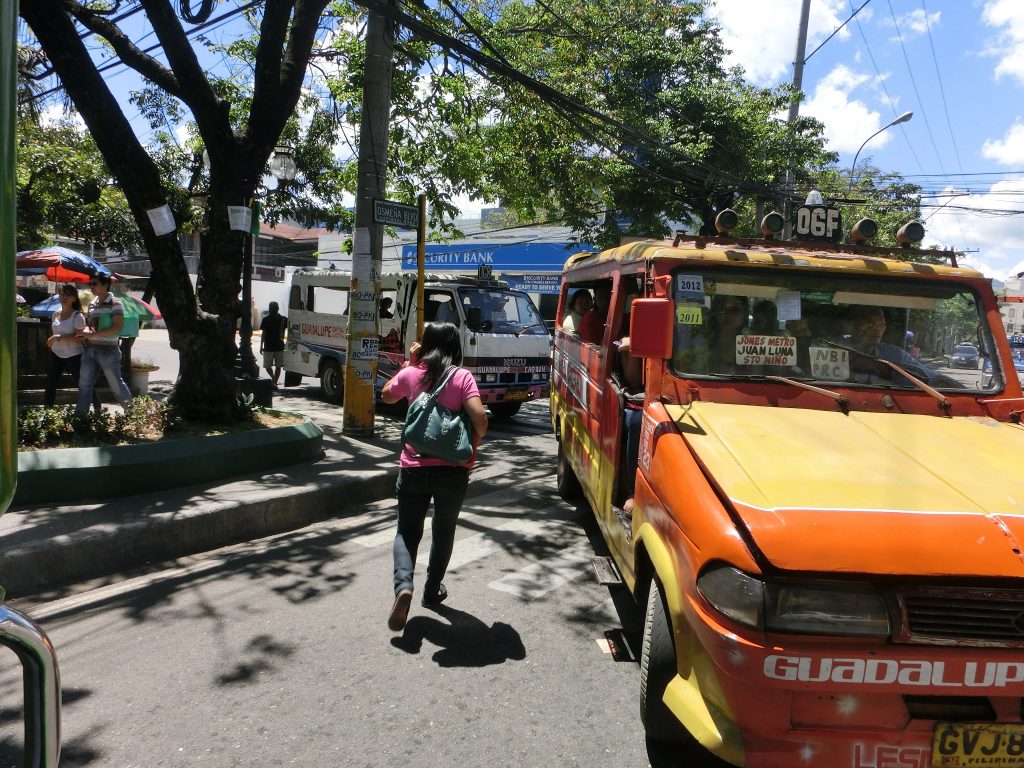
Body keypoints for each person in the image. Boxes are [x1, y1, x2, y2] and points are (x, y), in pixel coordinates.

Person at [380, 322, 489, 632]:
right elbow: (479, 420)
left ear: (425, 344)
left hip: (413, 466)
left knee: (406, 531)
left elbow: (387, 396)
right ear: (456, 347)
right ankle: (432, 590)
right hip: (452, 471)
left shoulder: (413, 373)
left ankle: (404, 586)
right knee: (444, 530)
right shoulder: (462, 376)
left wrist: (408, 365)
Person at [75, 273, 133, 413]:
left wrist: (94, 334)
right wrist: (83, 332)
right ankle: (80, 418)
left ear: (105, 284)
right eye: (90, 284)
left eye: (94, 283)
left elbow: (117, 327)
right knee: (84, 385)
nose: (91, 286)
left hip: (108, 351)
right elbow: (91, 325)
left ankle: (132, 413)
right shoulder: (92, 303)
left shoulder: (115, 302)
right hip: (89, 350)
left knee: (115, 384)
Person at [44, 284, 100, 410]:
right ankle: (48, 413)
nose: (64, 297)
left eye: (67, 295)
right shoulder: (55, 314)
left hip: (74, 355)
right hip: (56, 354)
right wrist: (52, 340)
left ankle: (97, 407)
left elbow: (78, 338)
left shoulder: (77, 316)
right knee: (50, 384)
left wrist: (57, 338)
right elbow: (54, 333)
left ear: (74, 299)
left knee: (84, 384)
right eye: (62, 294)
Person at [845, 305, 931, 383]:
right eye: (870, 323)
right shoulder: (837, 350)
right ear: (852, 325)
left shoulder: (893, 354)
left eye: (881, 323)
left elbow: (930, 376)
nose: (877, 328)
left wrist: (942, 381)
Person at [705, 295, 749, 373]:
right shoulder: (703, 343)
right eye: (722, 309)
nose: (729, 315)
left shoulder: (751, 346)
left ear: (744, 314)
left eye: (735, 310)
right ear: (715, 313)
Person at [259, 301, 287, 388]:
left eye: (272, 308)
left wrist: (261, 345)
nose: (272, 310)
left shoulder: (282, 319)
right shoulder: (283, 319)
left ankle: (274, 381)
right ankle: (274, 381)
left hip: (272, 346)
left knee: (271, 366)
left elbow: (263, 334)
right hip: (275, 346)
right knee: (274, 366)